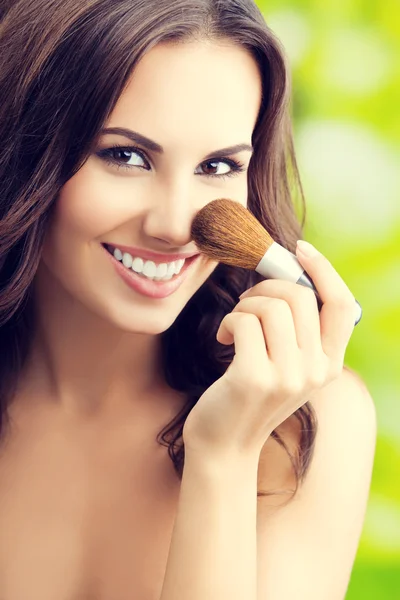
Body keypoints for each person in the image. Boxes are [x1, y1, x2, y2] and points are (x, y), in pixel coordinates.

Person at [0, 0, 377, 598]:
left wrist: (224, 455)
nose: (177, 225)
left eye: (218, 165)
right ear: (23, 152)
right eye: (125, 156)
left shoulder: (309, 426)